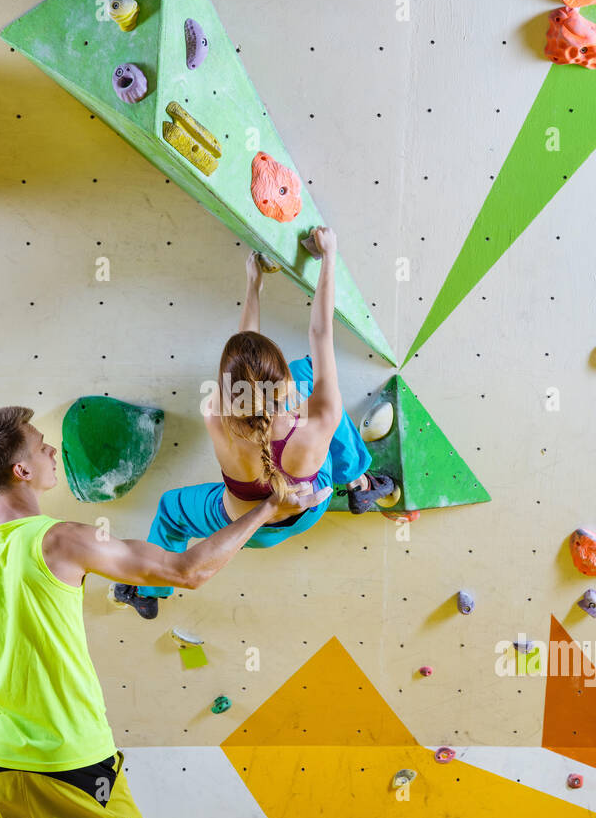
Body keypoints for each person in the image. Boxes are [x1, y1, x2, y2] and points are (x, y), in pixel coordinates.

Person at [0, 406, 326, 818]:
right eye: (40, 444)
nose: (51, 449)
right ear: (21, 469)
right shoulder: (64, 539)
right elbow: (187, 572)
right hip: (73, 767)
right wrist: (267, 509)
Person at [114, 227, 396, 620]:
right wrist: (328, 256)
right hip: (310, 509)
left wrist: (253, 285)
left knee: (170, 510)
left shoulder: (215, 414)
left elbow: (245, 357)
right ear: (279, 378)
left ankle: (148, 592)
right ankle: (358, 483)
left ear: (229, 389)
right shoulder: (321, 413)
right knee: (313, 371)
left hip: (247, 529)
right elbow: (320, 331)